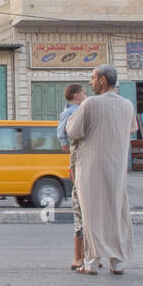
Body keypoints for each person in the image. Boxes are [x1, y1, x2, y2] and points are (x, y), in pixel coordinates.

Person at [65, 64, 135, 275]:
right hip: (116, 167)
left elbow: (73, 131)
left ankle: (91, 262)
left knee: (91, 213)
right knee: (115, 211)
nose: (90, 82)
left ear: (103, 80)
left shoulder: (90, 104)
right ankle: (117, 261)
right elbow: (131, 130)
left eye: (93, 78)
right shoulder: (127, 105)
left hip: (90, 167)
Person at [57, 83, 87, 270]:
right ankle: (79, 257)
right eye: (83, 92)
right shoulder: (73, 112)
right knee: (81, 212)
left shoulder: (81, 109)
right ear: (76, 96)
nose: (86, 95)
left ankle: (87, 256)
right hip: (79, 165)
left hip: (82, 165)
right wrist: (63, 142)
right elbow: (61, 129)